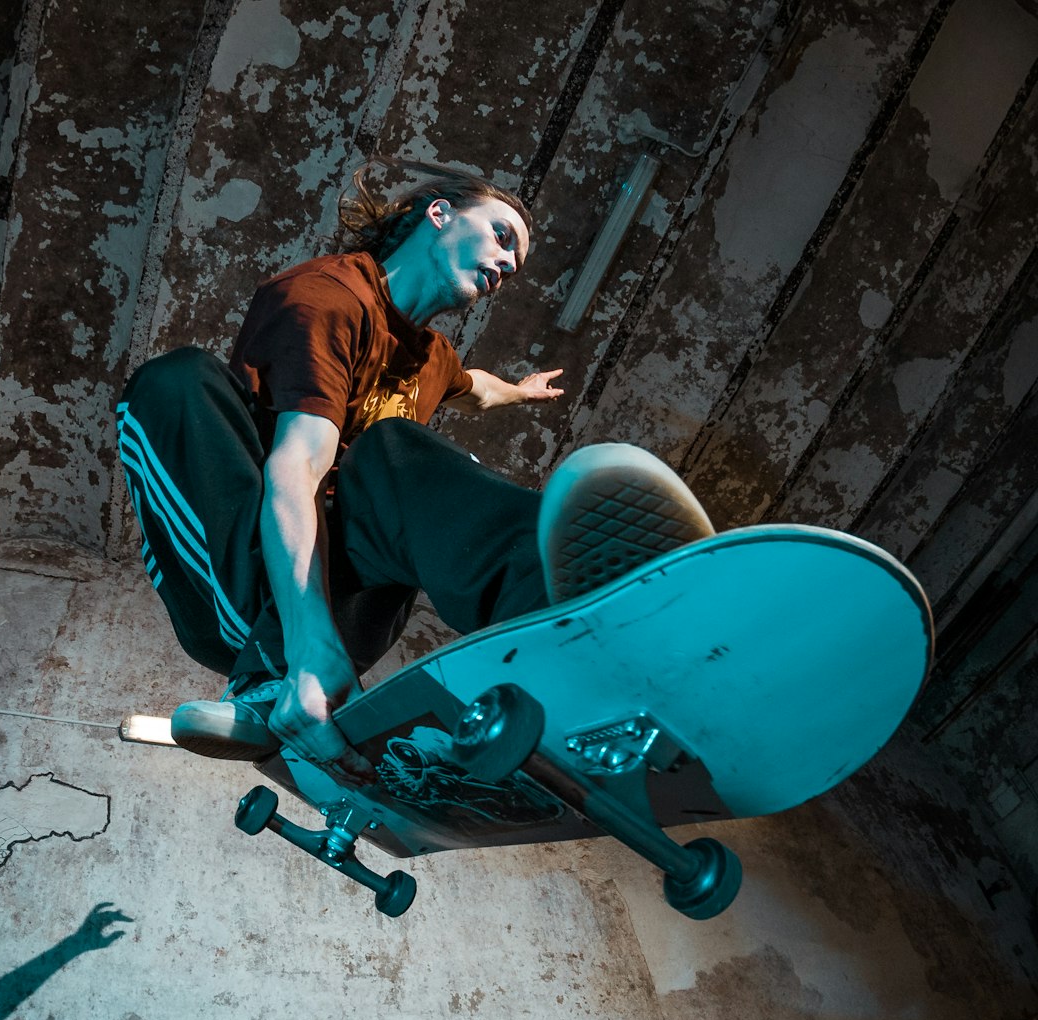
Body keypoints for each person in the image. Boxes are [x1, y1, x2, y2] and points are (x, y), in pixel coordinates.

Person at [117, 158, 714, 781]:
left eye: (517, 262)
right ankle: (273, 676)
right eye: (502, 236)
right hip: (243, 571)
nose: (509, 265)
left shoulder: (434, 357)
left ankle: (574, 621)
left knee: (399, 455)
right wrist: (307, 650)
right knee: (181, 380)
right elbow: (297, 466)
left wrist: (520, 390)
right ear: (439, 214)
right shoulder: (328, 298)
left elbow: (474, 388)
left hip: (345, 584)